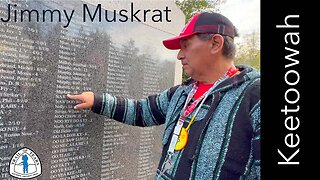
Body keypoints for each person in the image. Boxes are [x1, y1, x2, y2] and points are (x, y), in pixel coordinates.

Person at [67, 12, 260, 180]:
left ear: (215, 43)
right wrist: (97, 101)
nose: (179, 55)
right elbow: (142, 111)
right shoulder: (182, 93)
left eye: (186, 45)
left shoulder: (254, 96)